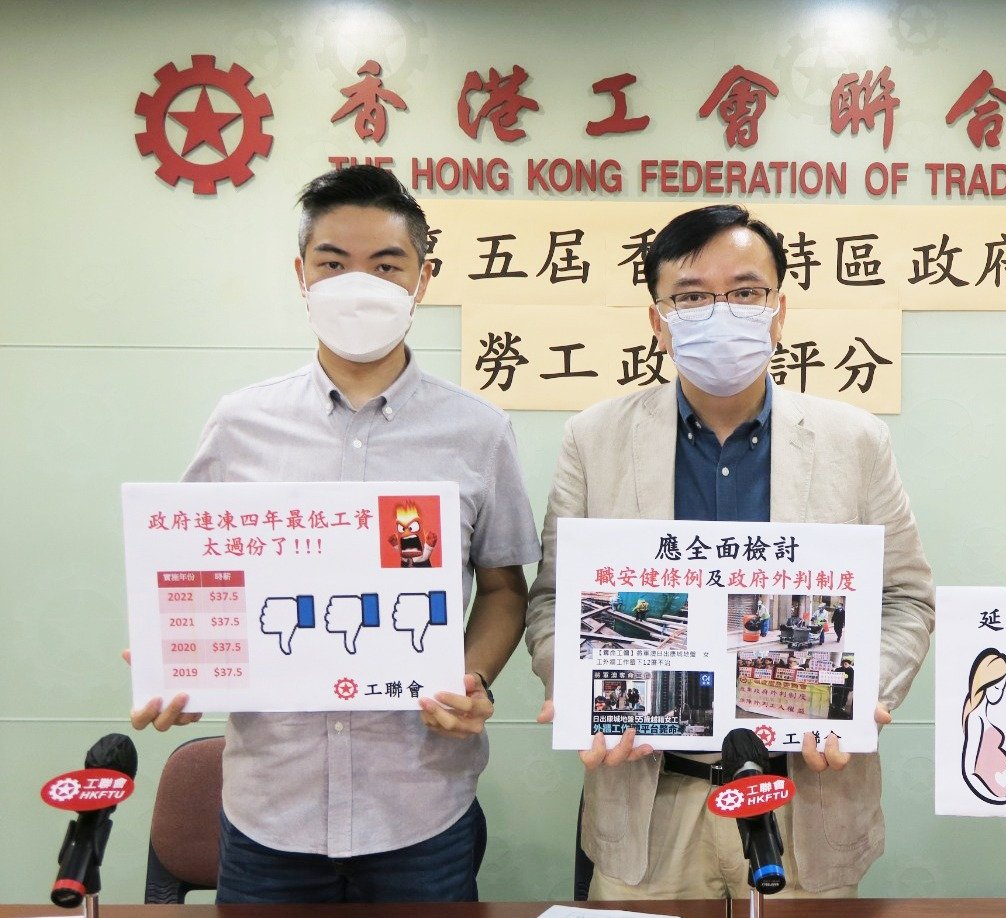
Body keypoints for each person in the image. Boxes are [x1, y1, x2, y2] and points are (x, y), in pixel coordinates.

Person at [126, 165, 541, 904]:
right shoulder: (241, 423)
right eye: (333, 263)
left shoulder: (477, 430)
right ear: (302, 276)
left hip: (421, 803)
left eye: (386, 265)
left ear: (422, 279)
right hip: (270, 808)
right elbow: (193, 573)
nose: (359, 285)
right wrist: (181, 658)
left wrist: (471, 676)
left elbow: (504, 587)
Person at [524, 204, 935, 898]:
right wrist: (579, 687)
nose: (721, 313)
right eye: (691, 297)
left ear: (778, 311)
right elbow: (554, 601)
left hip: (805, 798)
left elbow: (906, 598)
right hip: (649, 797)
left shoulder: (854, 441)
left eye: (745, 293)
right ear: (658, 321)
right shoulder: (593, 439)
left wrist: (864, 693)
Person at [959, 649, 1006, 804]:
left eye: (1003, 688)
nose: (1000, 693)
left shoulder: (982, 716)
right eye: (997, 688)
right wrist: (995, 797)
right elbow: (969, 769)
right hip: (991, 791)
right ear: (984, 684)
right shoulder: (975, 719)